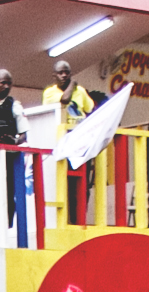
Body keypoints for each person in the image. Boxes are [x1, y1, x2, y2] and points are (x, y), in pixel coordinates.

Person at [47, 59, 97, 221]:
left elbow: (91, 110)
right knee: (66, 182)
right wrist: (72, 85)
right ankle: (68, 220)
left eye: (66, 72)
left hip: (81, 142)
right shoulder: (50, 93)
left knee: (83, 184)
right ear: (54, 75)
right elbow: (65, 100)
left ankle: (80, 218)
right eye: (60, 72)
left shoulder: (80, 91)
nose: (63, 75)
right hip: (63, 143)